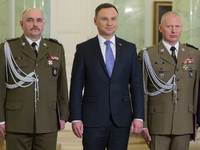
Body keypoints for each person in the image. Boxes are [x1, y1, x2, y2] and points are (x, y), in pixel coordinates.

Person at [69, 3, 144, 150]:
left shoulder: (129, 49)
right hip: (92, 120)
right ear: (95, 21)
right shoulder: (83, 49)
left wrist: (138, 116)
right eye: (104, 19)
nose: (109, 23)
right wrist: (76, 118)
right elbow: (76, 87)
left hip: (121, 120)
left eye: (113, 19)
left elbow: (137, 86)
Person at [0, 8, 69, 150]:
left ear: (43, 24)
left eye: (38, 20)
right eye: (30, 20)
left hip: (47, 121)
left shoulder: (56, 48)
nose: (35, 24)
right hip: (17, 120)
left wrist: (63, 115)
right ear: (22, 24)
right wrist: (1, 119)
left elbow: (62, 85)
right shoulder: (7, 48)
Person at [139, 11, 200, 150]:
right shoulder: (148, 55)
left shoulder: (194, 54)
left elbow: (196, 90)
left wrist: (195, 121)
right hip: (158, 123)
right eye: (169, 26)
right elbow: (142, 91)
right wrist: (144, 123)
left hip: (184, 122)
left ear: (182, 28)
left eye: (177, 26)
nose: (174, 31)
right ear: (160, 28)